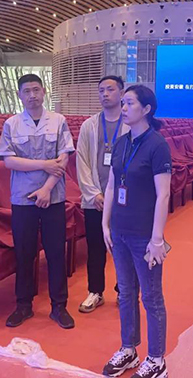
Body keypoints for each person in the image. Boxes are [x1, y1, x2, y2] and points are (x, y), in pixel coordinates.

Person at [101, 85, 172, 378]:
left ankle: (156, 359)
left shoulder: (157, 145)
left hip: (144, 235)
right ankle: (129, 349)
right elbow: (111, 186)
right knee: (126, 293)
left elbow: (163, 194)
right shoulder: (121, 143)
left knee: (151, 297)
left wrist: (157, 239)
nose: (124, 107)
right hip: (119, 231)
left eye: (129, 103)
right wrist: (105, 223)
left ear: (146, 109)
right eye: (124, 103)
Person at [0, 73, 76, 329]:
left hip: (53, 197)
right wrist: (43, 164)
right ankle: (23, 305)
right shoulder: (12, 124)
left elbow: (63, 158)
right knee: (24, 252)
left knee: (55, 252)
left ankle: (59, 306)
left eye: (36, 90)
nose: (32, 95)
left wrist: (46, 189)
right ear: (19, 95)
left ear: (44, 92)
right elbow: (9, 161)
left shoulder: (58, 121)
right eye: (27, 91)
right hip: (23, 198)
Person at [76, 75, 129, 313]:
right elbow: (82, 162)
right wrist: (93, 194)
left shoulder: (130, 123)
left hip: (123, 200)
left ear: (121, 93)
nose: (105, 94)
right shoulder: (89, 125)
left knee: (122, 247)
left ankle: (123, 290)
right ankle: (95, 291)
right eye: (101, 91)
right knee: (96, 248)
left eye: (110, 89)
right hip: (95, 201)